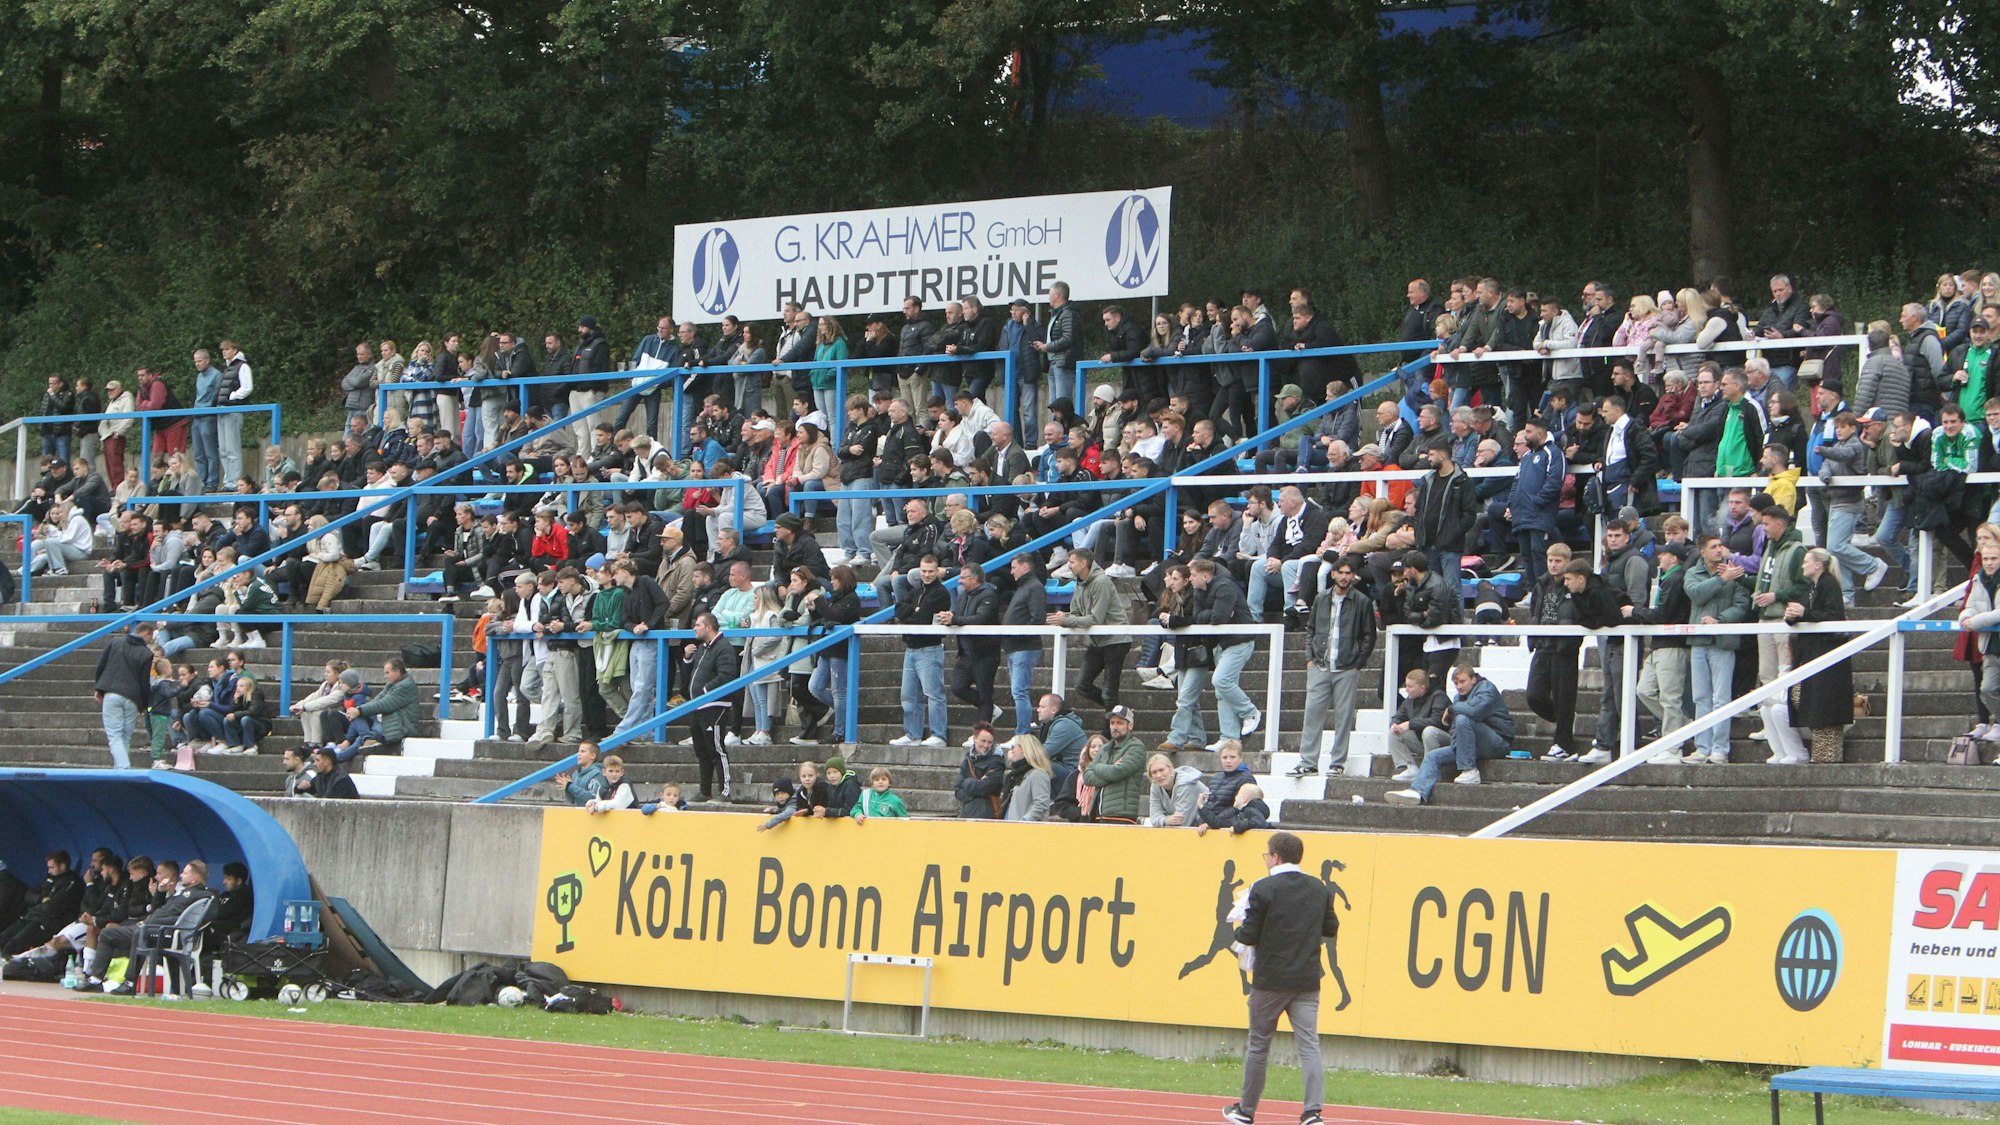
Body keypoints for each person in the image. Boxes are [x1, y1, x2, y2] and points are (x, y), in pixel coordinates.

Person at [1220, 831, 1337, 1125]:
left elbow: (1248, 935)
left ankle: (1246, 1110)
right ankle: (1313, 1111)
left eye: (1267, 856)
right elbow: (1331, 928)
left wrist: (1238, 928)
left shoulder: (1263, 888)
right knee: (1309, 1045)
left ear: (1275, 857)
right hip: (1306, 979)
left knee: (1259, 1045)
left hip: (1270, 980)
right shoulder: (1318, 888)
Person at [1286, 556, 1376, 778]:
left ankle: (1337, 762)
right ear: (1333, 574)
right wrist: (1310, 658)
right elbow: (1311, 629)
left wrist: (1358, 662)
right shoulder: (1321, 598)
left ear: (1353, 575)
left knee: (1343, 718)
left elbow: (1369, 635)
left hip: (1346, 667)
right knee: (1311, 715)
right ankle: (1308, 761)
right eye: (1341, 572)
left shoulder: (1362, 601)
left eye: (1348, 573)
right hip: (1320, 664)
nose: (1344, 577)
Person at [1386, 662, 1517, 805]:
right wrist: (1455, 747)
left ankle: (1470, 770)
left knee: (1463, 719)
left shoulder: (1486, 688)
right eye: (1456, 683)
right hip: (1471, 746)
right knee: (1432, 756)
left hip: (1498, 742)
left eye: (1462, 681)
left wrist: (1451, 709)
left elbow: (1475, 711)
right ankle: (1416, 792)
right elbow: (1455, 729)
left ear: (1473, 679)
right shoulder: (1458, 699)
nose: (1459, 686)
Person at [1683, 534, 1753, 764]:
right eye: (1713, 547)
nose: (1719, 550)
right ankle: (1702, 748)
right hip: (1699, 641)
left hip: (1723, 642)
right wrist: (1722, 580)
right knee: (1700, 697)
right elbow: (1696, 594)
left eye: (1720, 546)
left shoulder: (1735, 571)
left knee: (1722, 697)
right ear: (1702, 552)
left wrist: (1720, 620)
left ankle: (1720, 749)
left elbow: (1742, 605)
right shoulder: (1693, 573)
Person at [1786, 547, 1856, 762]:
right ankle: (1822, 755)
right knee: (1803, 697)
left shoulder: (1829, 584)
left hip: (1826, 654)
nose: (1802, 565)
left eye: (1806, 561)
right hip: (1811, 653)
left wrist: (1804, 613)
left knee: (1823, 705)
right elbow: (1806, 613)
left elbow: (1833, 615)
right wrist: (1792, 616)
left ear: (1818, 565)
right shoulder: (1811, 587)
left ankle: (1827, 756)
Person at [890, 555, 952, 748]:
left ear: (937, 571)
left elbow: (922, 618)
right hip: (911, 649)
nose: (926, 574)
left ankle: (939, 735)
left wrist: (911, 612)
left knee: (934, 694)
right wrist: (913, 610)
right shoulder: (915, 591)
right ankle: (913, 734)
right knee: (909, 695)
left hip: (929, 649)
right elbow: (899, 609)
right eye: (923, 571)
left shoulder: (941, 593)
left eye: (930, 571)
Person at [682, 612, 739, 801]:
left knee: (716, 749)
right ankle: (705, 791)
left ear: (709, 627)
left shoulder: (724, 647)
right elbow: (692, 674)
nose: (694, 628)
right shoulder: (701, 648)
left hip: (715, 706)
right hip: (697, 706)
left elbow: (727, 675)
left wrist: (705, 690)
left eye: (698, 625)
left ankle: (725, 791)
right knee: (702, 751)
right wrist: (687, 658)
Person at [94, 622, 155, 769]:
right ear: (146, 633)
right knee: (125, 736)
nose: (151, 640)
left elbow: (101, 665)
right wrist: (144, 705)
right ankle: (121, 770)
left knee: (114, 735)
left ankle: (123, 768)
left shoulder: (115, 642)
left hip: (111, 692)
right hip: (133, 698)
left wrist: (99, 688)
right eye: (151, 637)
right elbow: (144, 682)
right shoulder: (147, 653)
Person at [1081, 705, 1147, 825]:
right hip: (1097, 813)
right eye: (1112, 723)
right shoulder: (1104, 748)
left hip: (1121, 816)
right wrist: (1110, 770)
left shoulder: (1136, 747)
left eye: (1120, 723)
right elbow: (1087, 777)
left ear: (1130, 726)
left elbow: (1116, 772)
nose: (1115, 727)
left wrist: (1096, 766)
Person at [1961, 544, 2000, 743]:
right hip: (1990, 646)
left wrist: (1974, 622)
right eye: (1986, 559)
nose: (1989, 563)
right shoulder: (1978, 579)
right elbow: (1970, 606)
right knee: (1987, 689)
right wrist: (1965, 617)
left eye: (1994, 559)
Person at [1386, 669, 1450, 783]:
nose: (1406, 689)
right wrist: (1394, 725)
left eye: (1410, 686)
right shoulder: (1409, 700)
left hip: (1445, 742)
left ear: (1422, 688)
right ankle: (1409, 768)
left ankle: (1430, 770)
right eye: (1406, 685)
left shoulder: (1439, 696)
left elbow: (1437, 721)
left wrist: (1410, 724)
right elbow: (1398, 716)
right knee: (1393, 733)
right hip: (1422, 741)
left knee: (1429, 731)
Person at [953, 724, 1007, 818]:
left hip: (987, 815)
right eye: (983, 741)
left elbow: (985, 788)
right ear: (974, 739)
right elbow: (958, 791)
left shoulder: (997, 762)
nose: (986, 745)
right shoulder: (967, 760)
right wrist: (976, 790)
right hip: (966, 815)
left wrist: (966, 783)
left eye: (989, 742)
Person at [1144, 752, 1206, 828]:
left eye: (1161, 770)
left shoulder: (1186, 785)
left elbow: (1181, 821)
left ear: (1170, 769)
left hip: (1206, 824)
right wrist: (1165, 820)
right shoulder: (1155, 785)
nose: (1159, 775)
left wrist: (1163, 820)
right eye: (1154, 772)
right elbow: (1154, 816)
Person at [554, 740, 607, 807]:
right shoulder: (576, 774)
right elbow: (571, 801)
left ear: (593, 755)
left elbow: (593, 797)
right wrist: (568, 788)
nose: (578, 754)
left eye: (582, 751)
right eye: (578, 751)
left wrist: (570, 786)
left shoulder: (596, 773)